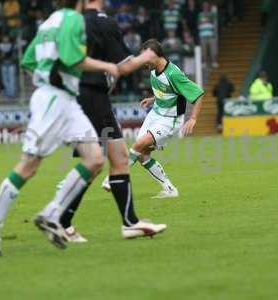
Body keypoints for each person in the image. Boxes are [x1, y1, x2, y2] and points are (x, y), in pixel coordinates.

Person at [0, 0, 122, 257]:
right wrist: (107, 66)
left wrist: (47, 74)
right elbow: (72, 58)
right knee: (29, 165)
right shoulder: (73, 19)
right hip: (54, 100)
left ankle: (52, 214)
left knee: (95, 159)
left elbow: (29, 60)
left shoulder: (48, 22)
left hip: (66, 100)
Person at [58, 0, 167, 243]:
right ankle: (60, 219)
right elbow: (124, 67)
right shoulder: (101, 22)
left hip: (85, 96)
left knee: (118, 159)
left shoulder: (70, 22)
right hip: (92, 97)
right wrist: (145, 56)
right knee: (93, 163)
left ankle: (130, 223)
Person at [103, 39, 204, 198]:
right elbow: (168, 92)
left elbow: (198, 94)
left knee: (139, 144)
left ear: (154, 55)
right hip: (155, 114)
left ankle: (114, 177)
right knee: (143, 155)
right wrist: (153, 98)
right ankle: (170, 189)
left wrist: (193, 118)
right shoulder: (153, 69)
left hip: (170, 120)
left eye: (145, 57)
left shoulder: (173, 74)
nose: (143, 62)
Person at [198, 1, 218, 68]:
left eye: (206, 5)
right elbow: (198, 24)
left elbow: (214, 22)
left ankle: (214, 62)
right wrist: (206, 21)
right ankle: (204, 63)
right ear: (202, 7)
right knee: (204, 50)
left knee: (213, 50)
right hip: (202, 35)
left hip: (211, 35)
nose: (205, 7)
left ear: (208, 7)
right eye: (204, 5)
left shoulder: (212, 14)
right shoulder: (200, 14)